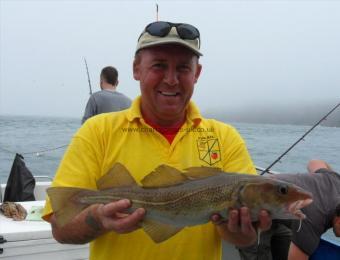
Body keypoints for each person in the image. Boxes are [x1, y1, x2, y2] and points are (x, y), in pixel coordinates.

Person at [43, 21, 271, 260]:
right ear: (136, 69)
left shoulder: (226, 138)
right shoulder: (97, 131)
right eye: (159, 66)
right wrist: (99, 218)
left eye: (183, 68)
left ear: (197, 74)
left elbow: (244, 238)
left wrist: (238, 228)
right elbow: (61, 228)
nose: (171, 79)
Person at [238, 159, 340, 260]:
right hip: (253, 213)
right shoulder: (315, 219)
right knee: (258, 253)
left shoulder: (336, 181)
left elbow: (314, 162)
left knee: (286, 242)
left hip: (278, 213)